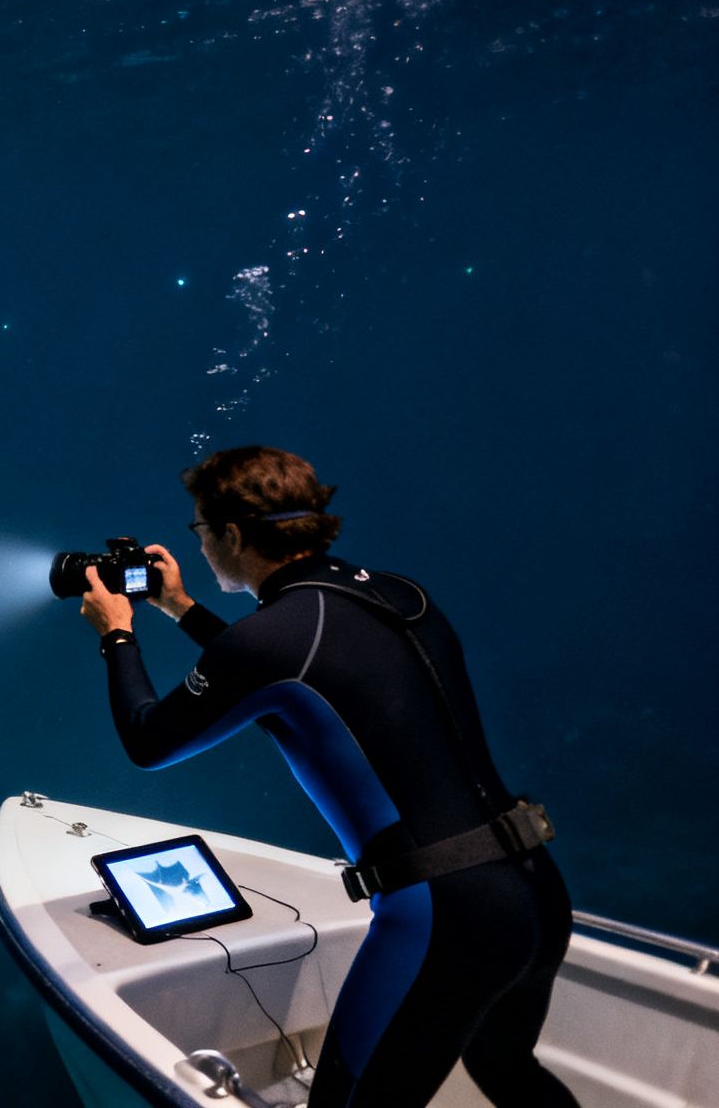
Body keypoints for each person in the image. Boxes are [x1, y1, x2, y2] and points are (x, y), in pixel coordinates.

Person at [77, 446, 577, 1108]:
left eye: (201, 530)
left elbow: (150, 741)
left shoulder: (273, 639)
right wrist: (183, 609)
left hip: (444, 914)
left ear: (231, 533)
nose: (198, 544)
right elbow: (302, 675)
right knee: (510, 1071)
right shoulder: (403, 594)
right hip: (534, 888)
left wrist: (118, 635)